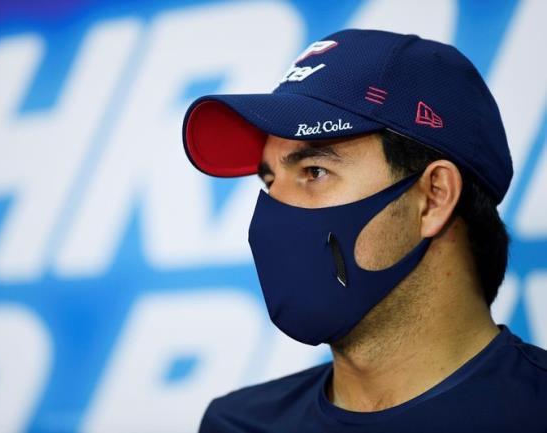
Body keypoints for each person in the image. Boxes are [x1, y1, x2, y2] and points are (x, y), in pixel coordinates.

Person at [181, 29, 547, 432]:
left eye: (314, 171)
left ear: (434, 197)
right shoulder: (237, 425)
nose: (271, 211)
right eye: (269, 182)